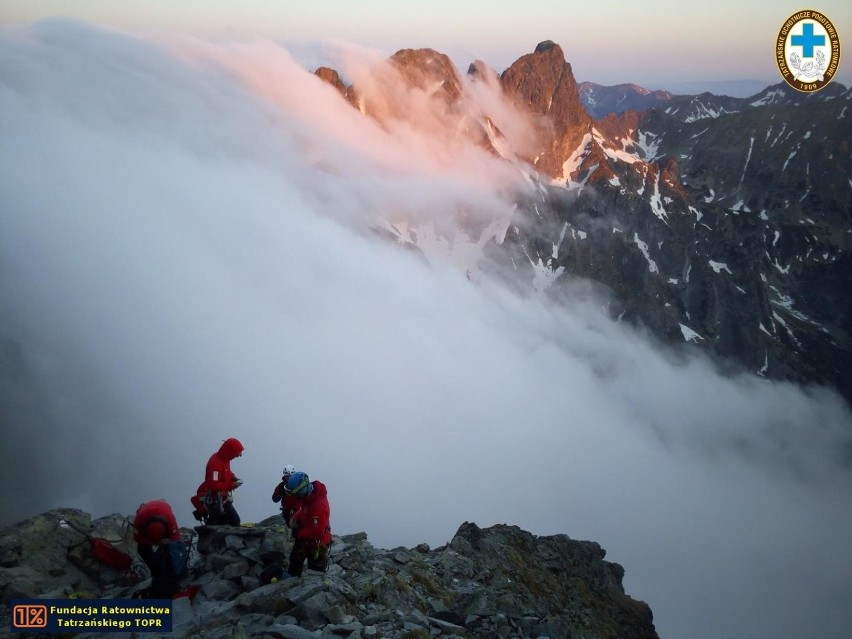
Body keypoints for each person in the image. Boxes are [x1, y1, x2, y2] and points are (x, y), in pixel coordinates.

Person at [133, 500, 187, 598]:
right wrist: (154, 542)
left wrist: (167, 543)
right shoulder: (139, 522)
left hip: (162, 512)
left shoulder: (170, 520)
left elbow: (175, 541)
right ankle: (158, 573)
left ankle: (171, 573)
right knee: (143, 550)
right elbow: (139, 541)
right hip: (146, 517)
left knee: (170, 550)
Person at [282, 471, 332, 577]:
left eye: (297, 493)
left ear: (302, 489)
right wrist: (296, 516)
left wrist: (299, 532)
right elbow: (305, 509)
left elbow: (317, 532)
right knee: (295, 559)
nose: (296, 496)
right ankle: (293, 577)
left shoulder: (318, 506)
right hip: (307, 538)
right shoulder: (309, 497)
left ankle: (314, 588)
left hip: (317, 542)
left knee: (315, 572)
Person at [193, 437, 244, 526]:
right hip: (215, 499)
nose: (237, 456)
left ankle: (209, 531)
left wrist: (233, 476)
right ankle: (210, 534)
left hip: (222, 498)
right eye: (236, 454)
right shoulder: (215, 463)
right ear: (230, 451)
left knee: (227, 522)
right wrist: (231, 485)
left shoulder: (225, 459)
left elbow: (226, 472)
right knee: (231, 522)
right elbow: (214, 485)